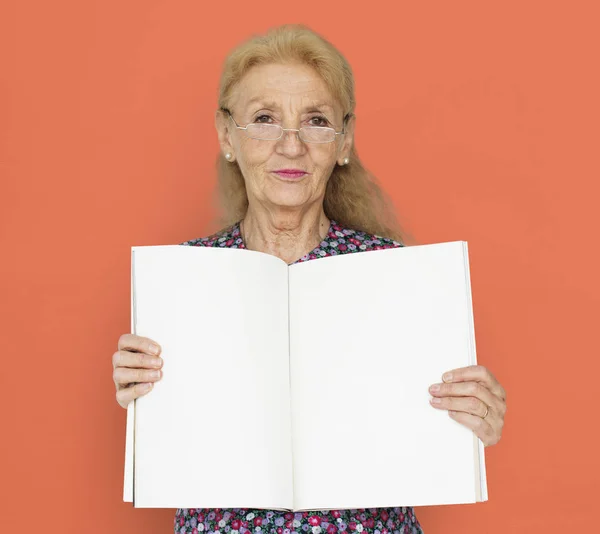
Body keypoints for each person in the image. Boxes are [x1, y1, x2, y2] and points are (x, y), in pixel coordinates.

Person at [112, 24, 507, 534]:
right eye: (264, 119)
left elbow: (431, 432)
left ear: (343, 141)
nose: (291, 146)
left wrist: (474, 420)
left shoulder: (393, 272)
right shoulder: (185, 279)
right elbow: (177, 434)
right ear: (226, 135)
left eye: (316, 121)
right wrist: (143, 395)